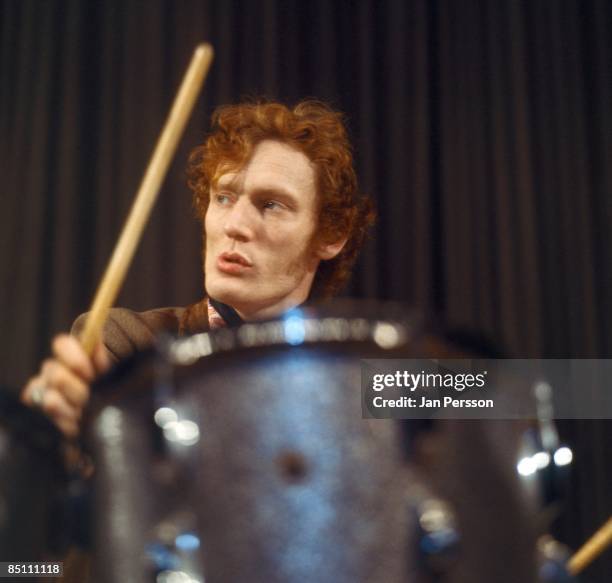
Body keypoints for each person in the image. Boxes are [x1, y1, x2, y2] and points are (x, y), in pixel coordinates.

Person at [21, 99, 375, 437]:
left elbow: (428, 456)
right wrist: (59, 431)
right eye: (223, 197)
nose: (234, 224)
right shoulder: (126, 344)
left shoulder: (377, 371)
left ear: (331, 235)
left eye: (270, 205)